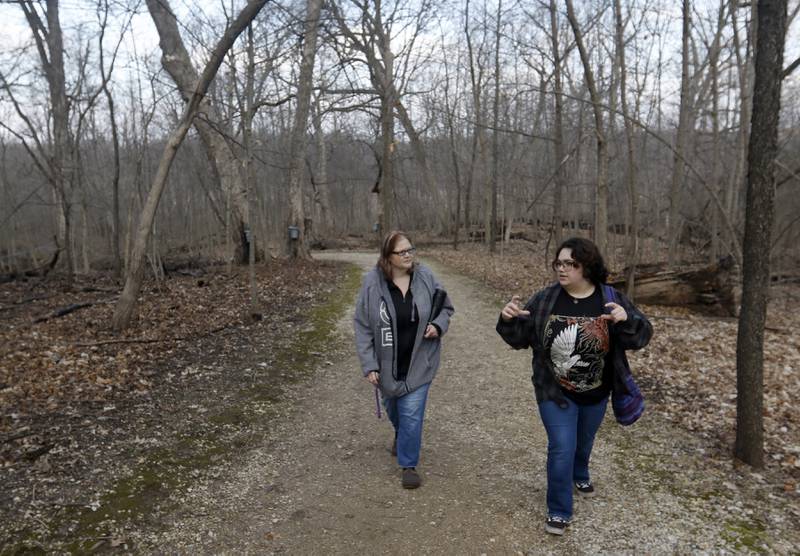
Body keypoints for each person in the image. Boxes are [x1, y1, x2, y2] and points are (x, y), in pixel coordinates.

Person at [496, 237, 652, 535]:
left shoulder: (610, 298)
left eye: (571, 263)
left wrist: (626, 318)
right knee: (561, 448)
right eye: (559, 263)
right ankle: (558, 510)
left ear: (587, 267)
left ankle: (580, 472)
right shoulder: (545, 299)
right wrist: (507, 320)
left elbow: (641, 337)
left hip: (597, 392)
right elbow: (519, 339)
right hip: (553, 391)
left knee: (583, 442)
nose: (562, 269)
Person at [354, 231, 454, 489]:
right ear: (388, 257)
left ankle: (408, 464)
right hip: (386, 364)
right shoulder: (372, 283)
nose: (409, 255)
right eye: (402, 251)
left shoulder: (426, 277)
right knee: (394, 407)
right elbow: (363, 325)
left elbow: (446, 307)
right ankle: (401, 433)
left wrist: (438, 325)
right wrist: (369, 364)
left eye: (410, 249)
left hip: (420, 360)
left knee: (411, 413)